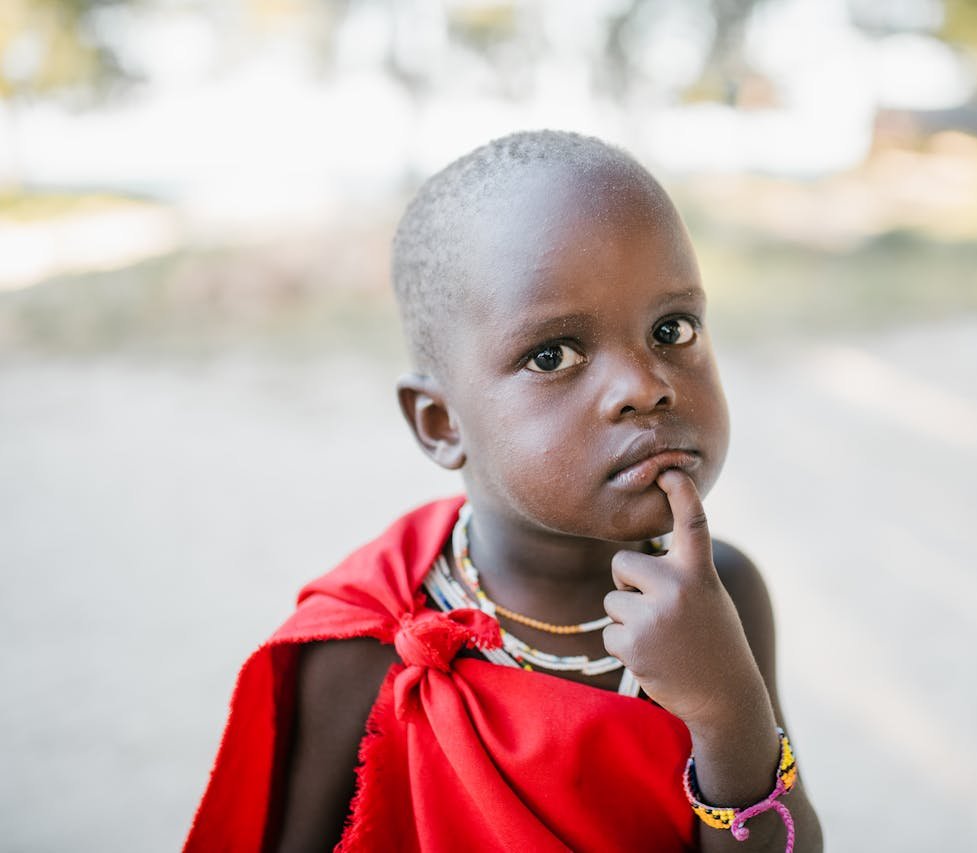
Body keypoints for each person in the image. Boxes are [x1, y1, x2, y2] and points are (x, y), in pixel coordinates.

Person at [185, 130, 823, 852]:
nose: (646, 386)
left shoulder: (720, 594)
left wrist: (727, 710)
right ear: (440, 422)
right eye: (553, 354)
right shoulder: (369, 642)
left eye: (672, 328)